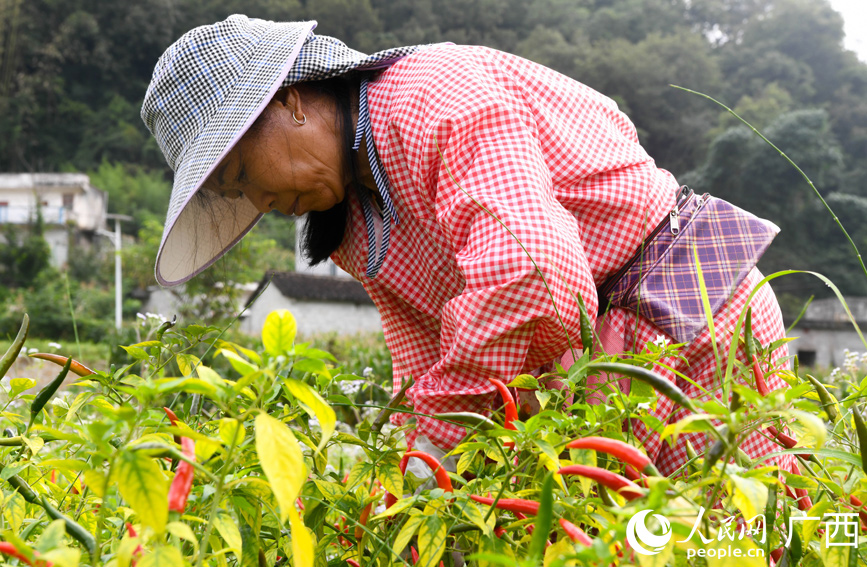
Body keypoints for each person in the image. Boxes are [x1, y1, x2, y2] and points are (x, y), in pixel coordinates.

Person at [142, 15, 794, 477]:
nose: (260, 203)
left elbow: (532, 270)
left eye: (242, 177)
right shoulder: (356, 221)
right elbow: (422, 363)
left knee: (742, 528)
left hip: (690, 302)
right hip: (601, 358)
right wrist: (407, 459)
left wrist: (439, 434)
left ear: (288, 102)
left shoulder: (435, 95)